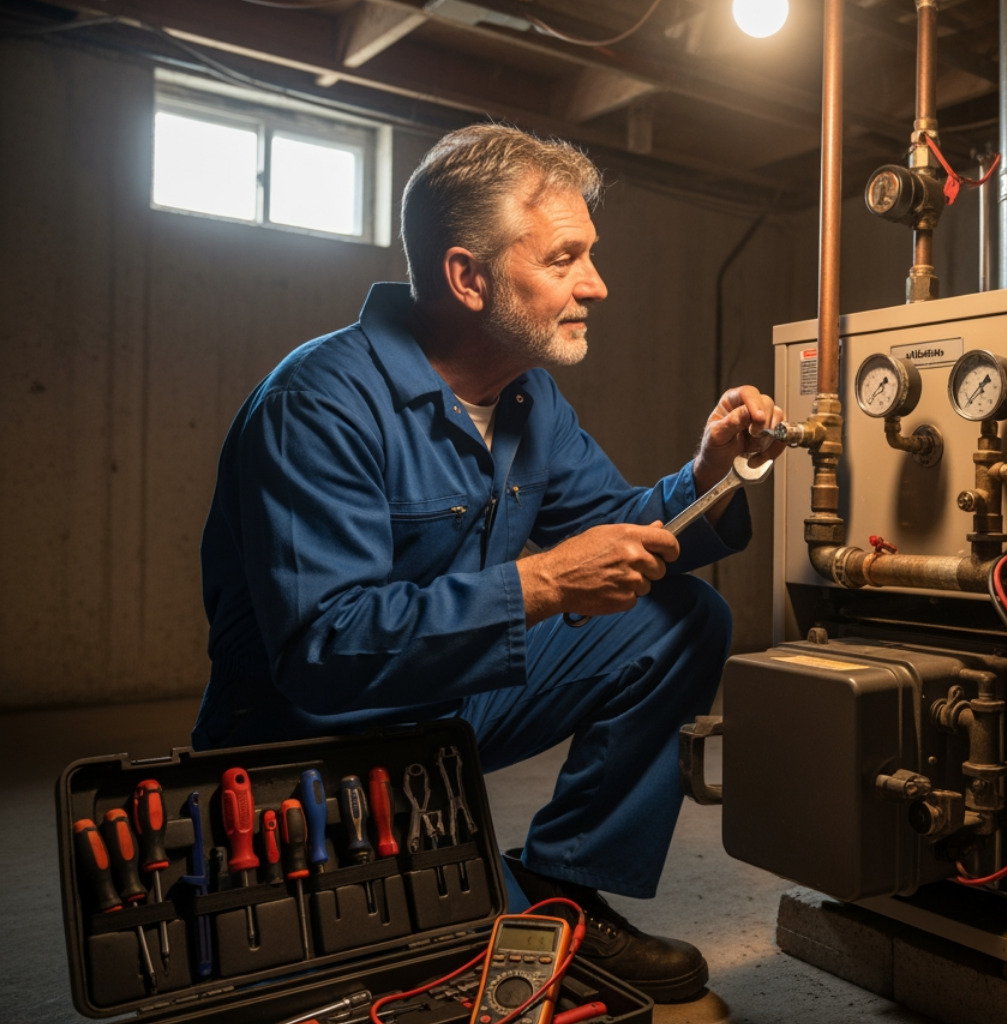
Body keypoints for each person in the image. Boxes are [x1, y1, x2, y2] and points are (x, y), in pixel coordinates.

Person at [193, 123, 784, 1002]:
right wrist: (543, 582)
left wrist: (706, 475)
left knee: (684, 620)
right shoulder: (316, 404)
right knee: (496, 985)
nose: (596, 284)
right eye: (564, 258)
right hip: (312, 740)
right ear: (467, 278)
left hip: (443, 703)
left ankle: (562, 881)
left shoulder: (526, 395)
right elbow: (323, 650)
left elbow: (617, 533)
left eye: (590, 256)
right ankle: (467, 906)